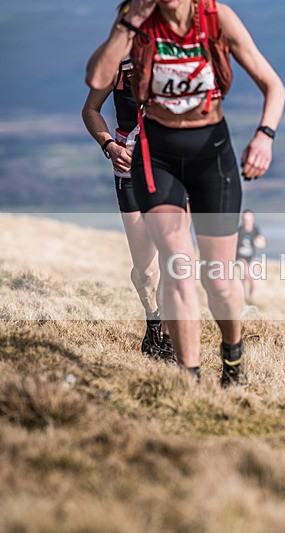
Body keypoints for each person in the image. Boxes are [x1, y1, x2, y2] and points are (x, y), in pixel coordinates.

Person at [86, 0, 285, 385]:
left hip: (211, 156)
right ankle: (189, 380)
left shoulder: (216, 17)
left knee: (219, 280)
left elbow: (273, 86)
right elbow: (96, 81)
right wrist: (128, 24)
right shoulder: (137, 22)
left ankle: (232, 353)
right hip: (156, 156)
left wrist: (265, 135)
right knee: (177, 265)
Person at [81, 32, 174, 362]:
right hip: (130, 170)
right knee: (146, 271)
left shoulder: (180, 55)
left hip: (173, 170)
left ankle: (167, 335)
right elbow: (91, 109)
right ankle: (153, 318)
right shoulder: (119, 61)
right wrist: (109, 145)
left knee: (172, 256)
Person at [236, 209, 266, 304]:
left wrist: (259, 242)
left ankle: (250, 298)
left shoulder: (255, 229)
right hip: (240, 258)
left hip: (251, 258)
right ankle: (242, 299)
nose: (247, 221)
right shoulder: (239, 230)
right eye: (245, 219)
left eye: (249, 219)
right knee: (246, 274)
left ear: (253, 219)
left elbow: (262, 242)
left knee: (250, 279)